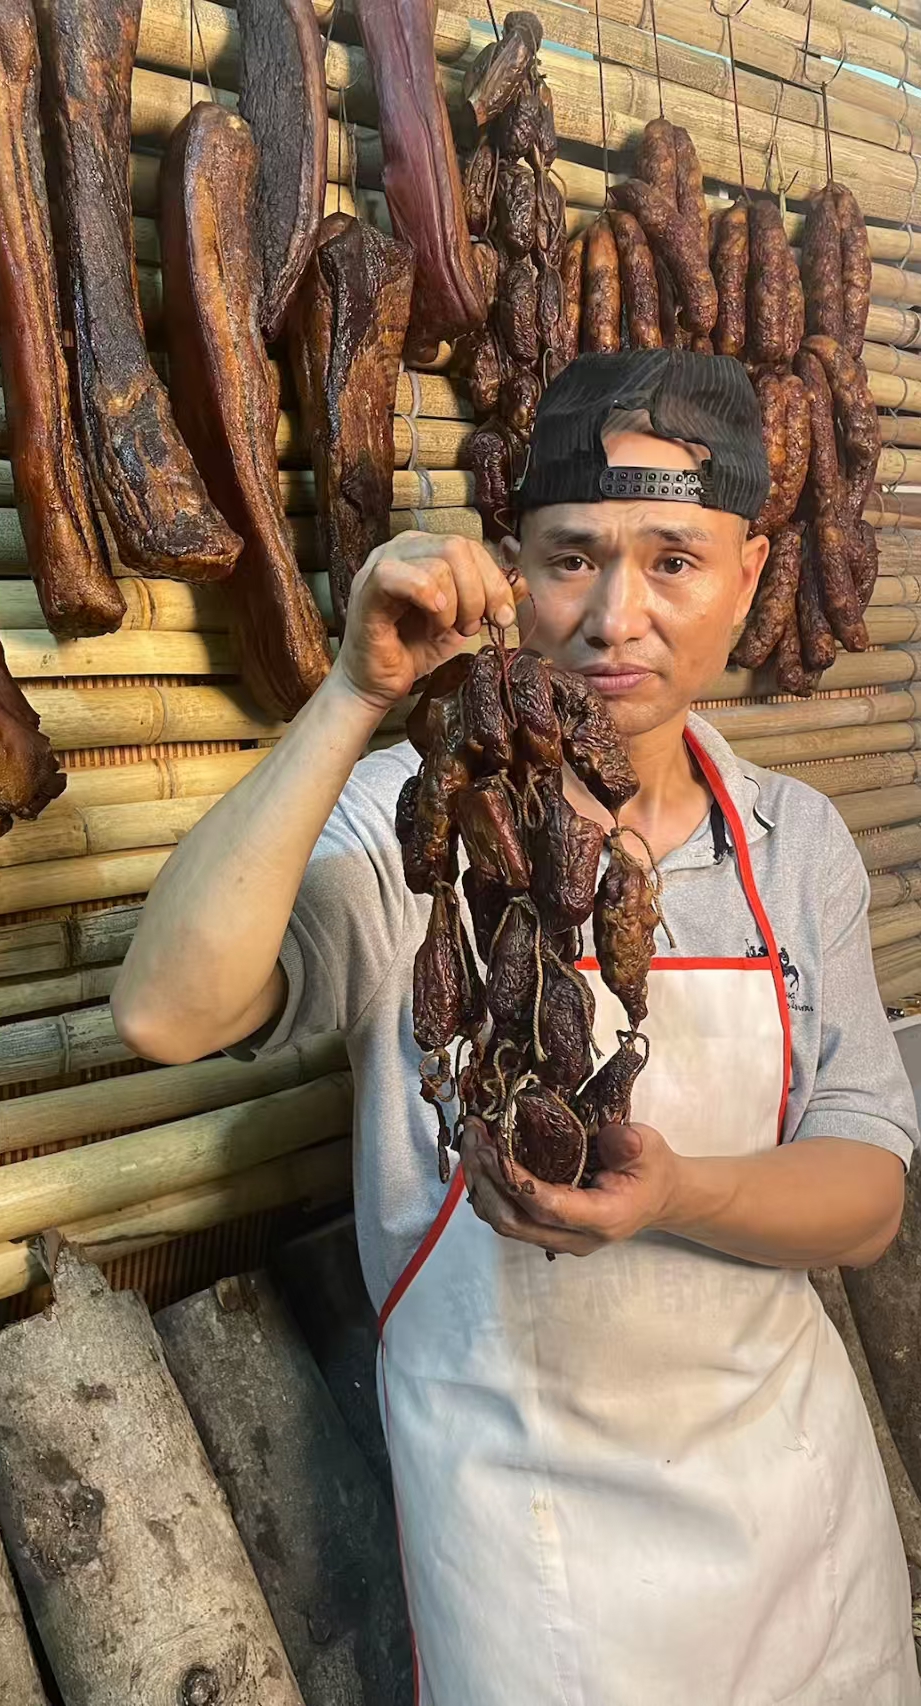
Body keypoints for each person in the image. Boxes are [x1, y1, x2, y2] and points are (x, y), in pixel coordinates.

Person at [112, 350, 920, 1703]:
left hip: (799, 1542)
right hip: (539, 1577)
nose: (616, 615)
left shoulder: (795, 840)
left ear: (753, 571)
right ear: (512, 565)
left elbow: (868, 1196)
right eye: (570, 557)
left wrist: (673, 1193)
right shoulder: (412, 823)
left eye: (675, 560)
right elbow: (164, 1009)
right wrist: (355, 695)